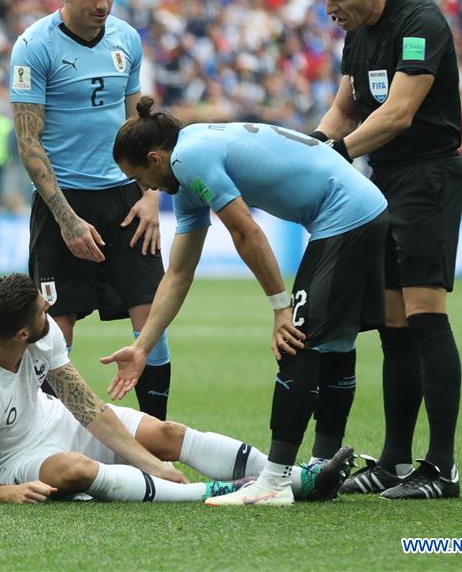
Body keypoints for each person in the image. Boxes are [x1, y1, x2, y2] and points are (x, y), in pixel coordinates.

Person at [102, 98, 388, 506]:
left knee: (296, 340)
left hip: (346, 214)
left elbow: (247, 232)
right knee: (335, 344)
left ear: (154, 157)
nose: (145, 188)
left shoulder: (187, 159)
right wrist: (143, 346)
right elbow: (179, 274)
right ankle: (320, 471)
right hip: (363, 208)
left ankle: (273, 482)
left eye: (140, 177)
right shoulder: (186, 167)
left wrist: (280, 308)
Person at [0, 273, 353, 504]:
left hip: (52, 419)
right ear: (23, 332)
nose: (51, 311)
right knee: (75, 470)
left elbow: (86, 408)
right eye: (44, 312)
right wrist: (5, 492)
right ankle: (208, 493)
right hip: (13, 461)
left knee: (165, 435)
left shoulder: (41, 333)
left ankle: (300, 479)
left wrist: (150, 463)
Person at [313, 0, 462, 500]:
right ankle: (396, 461)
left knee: (426, 318)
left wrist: (339, 151)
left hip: (427, 176)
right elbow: (344, 107)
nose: (330, 7)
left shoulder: (418, 21)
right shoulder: (356, 35)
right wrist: (314, 147)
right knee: (394, 328)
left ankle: (442, 468)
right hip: (385, 179)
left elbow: (398, 113)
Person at [9, 0, 172, 420]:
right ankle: (51, 445)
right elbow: (28, 141)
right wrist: (67, 219)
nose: (103, 4)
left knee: (151, 324)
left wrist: (149, 195)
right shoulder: (34, 46)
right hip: (63, 201)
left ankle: (157, 440)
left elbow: (138, 126)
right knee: (53, 331)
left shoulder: (126, 39)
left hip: (126, 197)